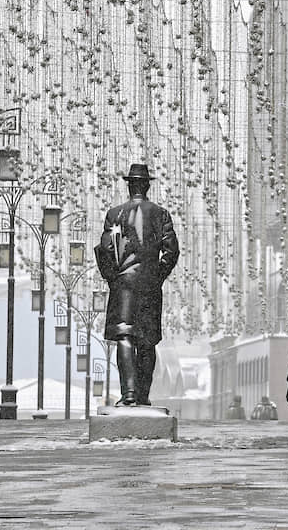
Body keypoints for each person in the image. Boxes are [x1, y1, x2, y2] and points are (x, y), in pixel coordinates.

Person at [94, 163, 180, 406]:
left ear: (130, 185)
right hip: (150, 284)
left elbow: (106, 249)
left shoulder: (115, 214)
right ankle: (143, 394)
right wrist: (157, 275)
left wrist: (114, 278)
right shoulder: (161, 214)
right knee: (147, 339)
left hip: (124, 286)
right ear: (147, 185)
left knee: (125, 336)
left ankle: (129, 393)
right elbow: (171, 251)